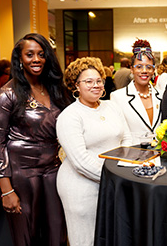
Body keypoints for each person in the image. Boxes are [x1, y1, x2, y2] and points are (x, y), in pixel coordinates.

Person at [0, 33, 71, 246]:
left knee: (57, 233)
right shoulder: (7, 94)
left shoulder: (56, 90)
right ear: (19, 59)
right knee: (27, 237)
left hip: (53, 171)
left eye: (41, 54)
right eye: (30, 54)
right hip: (21, 174)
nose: (36, 59)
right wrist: (6, 190)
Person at [56, 57, 132, 246]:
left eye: (99, 80)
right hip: (81, 187)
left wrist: (122, 171)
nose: (96, 85)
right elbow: (80, 161)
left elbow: (127, 138)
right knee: (86, 240)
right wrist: (117, 177)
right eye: (88, 81)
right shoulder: (70, 116)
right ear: (76, 85)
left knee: (113, 236)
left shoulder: (112, 106)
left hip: (113, 181)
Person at [111, 39, 162, 144]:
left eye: (149, 67)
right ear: (131, 69)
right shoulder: (118, 97)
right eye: (139, 67)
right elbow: (118, 134)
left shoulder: (162, 95)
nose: (144, 71)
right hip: (132, 155)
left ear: (153, 70)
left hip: (159, 155)